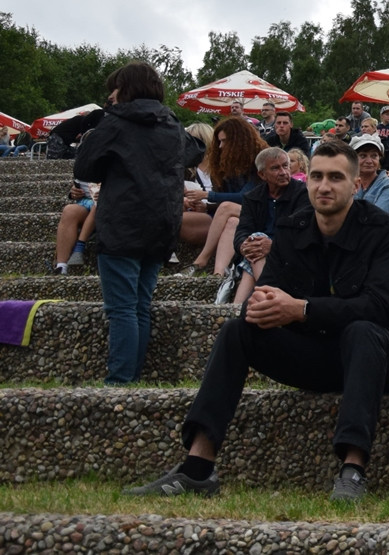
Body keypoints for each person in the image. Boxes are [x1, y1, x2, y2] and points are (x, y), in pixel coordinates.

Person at [125, 140, 389, 501]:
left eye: (336, 178)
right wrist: (263, 303)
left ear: (356, 186)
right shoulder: (292, 228)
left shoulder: (384, 231)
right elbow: (268, 289)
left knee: (363, 331)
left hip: (378, 362)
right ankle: (197, 468)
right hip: (318, 356)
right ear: (306, 180)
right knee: (238, 331)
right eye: (316, 176)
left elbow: (379, 307)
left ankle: (353, 470)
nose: (324, 186)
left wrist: (301, 309)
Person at [74, 61, 203, 385]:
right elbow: (193, 153)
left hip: (122, 224)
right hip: (161, 225)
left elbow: (85, 166)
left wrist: (106, 117)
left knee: (120, 309)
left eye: (113, 90)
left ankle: (119, 381)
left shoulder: (115, 122)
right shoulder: (172, 123)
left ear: (125, 89)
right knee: (140, 306)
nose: (110, 95)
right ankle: (131, 378)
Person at [182, 118, 266, 276]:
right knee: (231, 221)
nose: (220, 146)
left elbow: (246, 196)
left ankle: (201, 260)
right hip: (232, 218)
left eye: (224, 141)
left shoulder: (260, 161)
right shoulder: (226, 163)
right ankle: (218, 274)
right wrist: (206, 206)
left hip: (258, 214)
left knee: (227, 208)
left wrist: (208, 195)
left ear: (239, 141)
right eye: (219, 142)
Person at [230, 147, 310, 304]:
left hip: (290, 255)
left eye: (285, 165)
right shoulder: (252, 197)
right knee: (255, 242)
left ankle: (239, 306)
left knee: (257, 241)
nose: (283, 172)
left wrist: (273, 246)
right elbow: (242, 231)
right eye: (275, 168)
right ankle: (266, 297)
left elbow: (302, 232)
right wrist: (243, 246)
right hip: (259, 255)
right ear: (262, 174)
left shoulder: (302, 194)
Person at [52, 182, 100, 274]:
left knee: (99, 204)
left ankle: (79, 246)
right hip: (87, 200)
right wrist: (75, 191)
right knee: (69, 211)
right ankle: (61, 266)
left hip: (111, 203)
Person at [350, 134, 389, 212]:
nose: (369, 161)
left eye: (374, 156)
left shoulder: (388, 185)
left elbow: (379, 216)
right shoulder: (347, 183)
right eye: (363, 156)